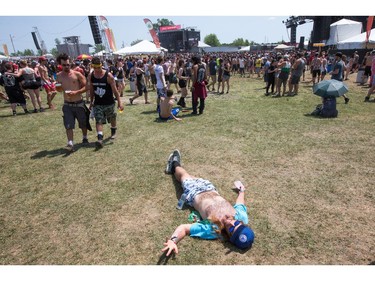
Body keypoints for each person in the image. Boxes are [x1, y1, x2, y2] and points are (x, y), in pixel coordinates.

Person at [162, 150, 255, 256]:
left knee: (183, 175)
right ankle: (175, 168)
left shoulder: (213, 229)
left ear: (228, 236)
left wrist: (173, 241)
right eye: (237, 224)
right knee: (192, 177)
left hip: (193, 192)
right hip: (210, 188)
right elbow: (240, 204)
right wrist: (242, 191)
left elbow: (184, 228)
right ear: (242, 223)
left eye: (232, 229)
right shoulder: (241, 216)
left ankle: (174, 164)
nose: (232, 223)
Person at [56, 53, 90, 152]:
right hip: (67, 104)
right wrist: (57, 88)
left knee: (83, 123)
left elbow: (86, 86)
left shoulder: (77, 74)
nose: (66, 67)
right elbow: (58, 89)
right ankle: (70, 143)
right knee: (68, 125)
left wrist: (77, 92)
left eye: (68, 64)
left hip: (79, 103)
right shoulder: (58, 76)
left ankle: (85, 137)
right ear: (60, 65)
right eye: (64, 65)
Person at [87, 56, 124, 149]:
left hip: (109, 102)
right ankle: (100, 138)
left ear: (101, 65)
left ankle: (113, 130)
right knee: (98, 120)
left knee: (112, 117)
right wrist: (91, 102)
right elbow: (91, 90)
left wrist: (120, 102)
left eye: (98, 67)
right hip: (98, 103)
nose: (97, 70)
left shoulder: (108, 76)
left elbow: (115, 91)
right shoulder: (91, 76)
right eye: (94, 68)